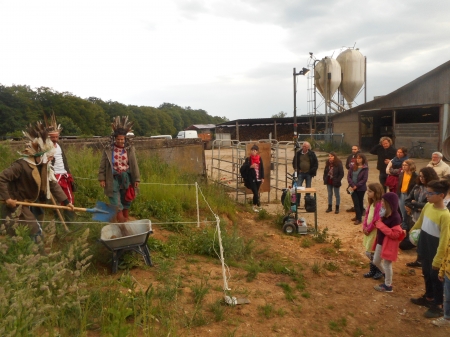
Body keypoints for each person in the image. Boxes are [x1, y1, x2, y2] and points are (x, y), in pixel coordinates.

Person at [0, 122, 74, 240]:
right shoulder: (21, 165)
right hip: (18, 203)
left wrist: (66, 202)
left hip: (33, 201)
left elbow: (52, 183)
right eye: (49, 156)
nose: (51, 159)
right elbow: (2, 178)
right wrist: (8, 199)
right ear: (41, 154)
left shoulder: (44, 165)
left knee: (30, 230)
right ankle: (38, 255)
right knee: (33, 231)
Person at [410, 180, 450, 319]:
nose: (426, 195)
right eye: (427, 191)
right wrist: (412, 231)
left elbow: (444, 240)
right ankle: (429, 298)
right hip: (424, 246)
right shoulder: (428, 205)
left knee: (436, 278)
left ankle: (438, 305)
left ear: (441, 195)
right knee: (426, 273)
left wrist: (438, 259)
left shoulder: (445, 215)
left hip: (435, 251)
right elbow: (420, 221)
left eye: (430, 193)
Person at [98, 116, 140, 223]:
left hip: (126, 177)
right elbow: (103, 164)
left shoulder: (129, 149)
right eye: (118, 139)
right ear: (115, 139)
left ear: (125, 139)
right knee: (115, 200)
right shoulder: (109, 149)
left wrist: (136, 179)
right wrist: (102, 178)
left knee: (126, 199)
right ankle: (122, 223)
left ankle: (125, 219)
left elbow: (134, 164)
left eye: (122, 139)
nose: (121, 141)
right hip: (113, 178)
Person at [403, 167, 439, 263]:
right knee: (418, 240)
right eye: (420, 176)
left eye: (424, 176)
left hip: (426, 219)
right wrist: (416, 207)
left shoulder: (434, 189)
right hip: (415, 217)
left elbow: (430, 204)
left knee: (424, 241)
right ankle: (419, 261)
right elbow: (407, 200)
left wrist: (415, 204)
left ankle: (424, 261)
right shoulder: (417, 186)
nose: (421, 178)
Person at [372, 192, 405, 292]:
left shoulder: (395, 217)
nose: (381, 202)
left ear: (389, 203)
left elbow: (395, 234)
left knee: (387, 264)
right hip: (381, 241)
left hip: (389, 244)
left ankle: (388, 286)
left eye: (383, 201)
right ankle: (386, 274)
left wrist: (380, 225)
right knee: (376, 261)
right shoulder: (384, 213)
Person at [46, 113, 76, 221]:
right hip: (53, 176)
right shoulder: (45, 147)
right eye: (52, 137)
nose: (54, 139)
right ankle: (58, 221)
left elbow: (64, 161)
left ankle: (70, 220)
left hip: (64, 174)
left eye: (56, 136)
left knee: (69, 198)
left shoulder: (59, 145)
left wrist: (68, 172)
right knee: (57, 199)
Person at [362, 182, 384, 279]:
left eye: (370, 191)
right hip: (369, 230)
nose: (368, 193)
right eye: (367, 191)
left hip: (374, 232)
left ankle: (378, 270)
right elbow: (367, 216)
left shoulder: (379, 204)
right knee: (369, 251)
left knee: (372, 251)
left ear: (376, 192)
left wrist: (369, 228)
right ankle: (373, 269)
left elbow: (376, 219)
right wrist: (364, 226)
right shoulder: (371, 203)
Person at [433, 230, 450, 326]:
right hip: (448, 275)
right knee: (447, 298)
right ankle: (446, 317)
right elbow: (445, 256)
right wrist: (442, 271)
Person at [241, 144, 265, 212]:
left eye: (255, 150)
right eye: (252, 150)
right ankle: (257, 205)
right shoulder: (248, 159)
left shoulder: (259, 158)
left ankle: (256, 205)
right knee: (256, 192)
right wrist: (250, 166)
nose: (253, 151)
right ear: (251, 151)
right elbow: (243, 168)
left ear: (257, 152)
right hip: (251, 178)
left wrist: (262, 177)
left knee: (256, 192)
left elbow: (262, 168)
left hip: (258, 178)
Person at [347, 153, 368, 225]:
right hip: (352, 188)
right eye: (357, 158)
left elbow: (364, 179)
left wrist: (357, 186)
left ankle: (359, 218)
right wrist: (352, 185)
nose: (358, 159)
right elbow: (349, 176)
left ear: (363, 159)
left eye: (360, 158)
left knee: (360, 202)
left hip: (361, 189)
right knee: (355, 202)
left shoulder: (365, 168)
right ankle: (357, 216)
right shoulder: (352, 166)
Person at [397, 159, 417, 230]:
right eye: (403, 165)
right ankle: (404, 225)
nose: (404, 166)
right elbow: (399, 184)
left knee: (408, 211)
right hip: (401, 194)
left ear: (410, 166)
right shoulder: (402, 174)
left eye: (406, 165)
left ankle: (407, 226)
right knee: (402, 211)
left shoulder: (415, 175)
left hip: (409, 195)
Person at [345, 145, 360, 212]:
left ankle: (361, 209)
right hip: (351, 176)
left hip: (358, 177)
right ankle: (355, 207)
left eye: (355, 149)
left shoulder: (360, 156)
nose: (353, 150)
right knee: (352, 192)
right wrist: (351, 169)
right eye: (352, 149)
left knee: (359, 194)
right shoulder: (350, 157)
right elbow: (347, 165)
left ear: (358, 149)